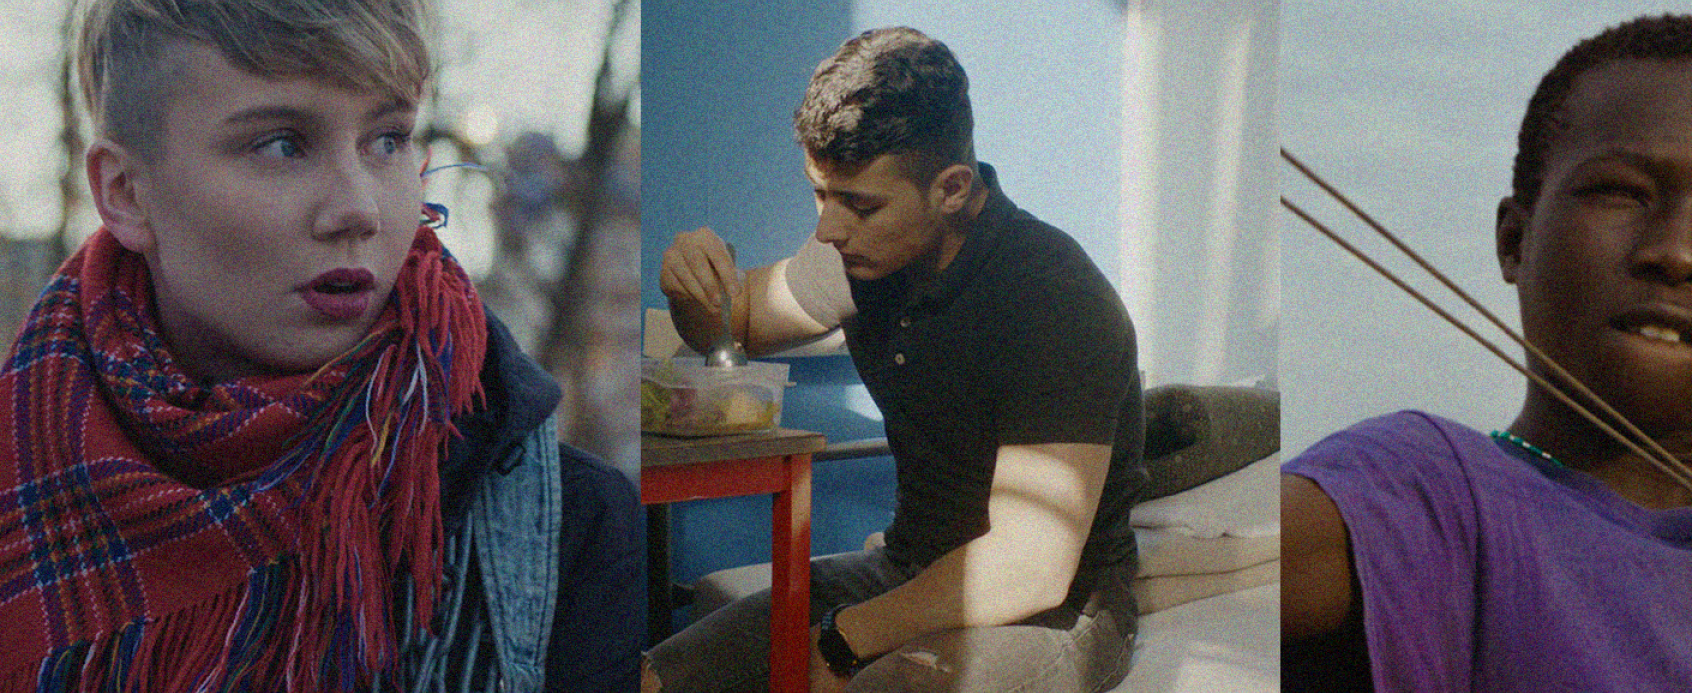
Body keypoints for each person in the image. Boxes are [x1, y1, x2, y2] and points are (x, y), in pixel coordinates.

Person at [0, 0, 646, 690]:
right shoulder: (23, 482)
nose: (359, 209)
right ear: (126, 193)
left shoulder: (571, 530)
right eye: (282, 144)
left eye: (388, 140)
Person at [1281, 14, 1692, 692]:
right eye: (1620, 192)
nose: (1677, 253)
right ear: (1515, 241)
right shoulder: (1434, 493)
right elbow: (1233, 561)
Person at [647, 26, 1144, 693]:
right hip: (909, 568)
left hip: (1057, 609)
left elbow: (1031, 565)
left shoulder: (1054, 296)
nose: (828, 228)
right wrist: (690, 287)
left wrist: (845, 636)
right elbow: (733, 322)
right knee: (659, 678)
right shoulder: (859, 258)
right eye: (820, 193)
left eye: (859, 204)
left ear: (952, 188)